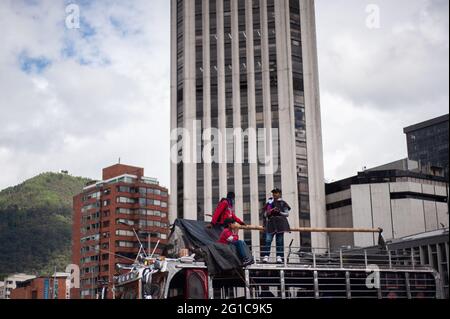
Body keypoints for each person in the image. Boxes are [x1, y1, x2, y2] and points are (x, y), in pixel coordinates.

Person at [262, 189, 291, 264]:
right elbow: (265, 214)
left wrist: (279, 212)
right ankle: (266, 256)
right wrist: (270, 211)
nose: (274, 194)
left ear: (280, 194)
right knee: (268, 240)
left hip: (280, 224)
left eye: (276, 193)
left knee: (279, 241)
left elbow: (287, 214)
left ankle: (279, 257)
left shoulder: (283, 203)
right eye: (273, 193)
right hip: (271, 223)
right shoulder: (269, 203)